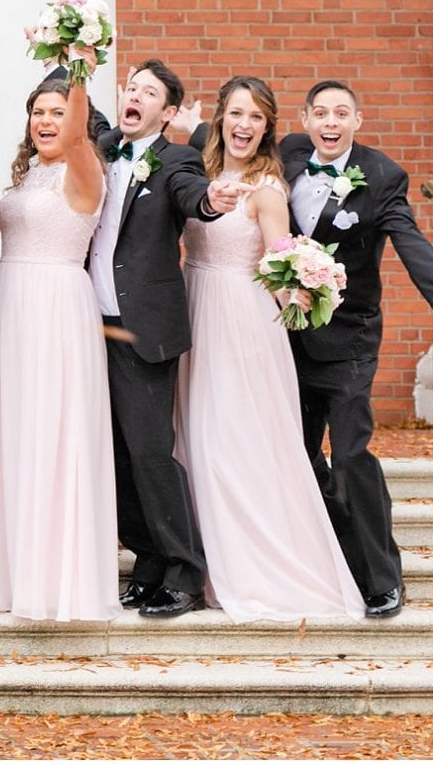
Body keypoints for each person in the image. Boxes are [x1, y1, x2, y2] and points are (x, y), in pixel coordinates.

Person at [280, 80, 433, 619]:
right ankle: (337, 559)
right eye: (321, 113)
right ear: (306, 120)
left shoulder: (382, 176)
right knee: (301, 457)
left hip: (350, 337)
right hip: (285, 336)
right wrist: (187, 124)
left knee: (351, 454)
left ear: (358, 119)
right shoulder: (286, 154)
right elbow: (230, 140)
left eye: (342, 113)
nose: (331, 122)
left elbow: (410, 243)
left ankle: (382, 577)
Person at [174, 76, 365, 622]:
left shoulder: (267, 187)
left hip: (244, 318)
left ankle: (258, 564)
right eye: (236, 113)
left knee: (238, 437)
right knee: (198, 435)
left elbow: (278, 256)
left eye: (256, 117)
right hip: (196, 308)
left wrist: (304, 285)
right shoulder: (198, 171)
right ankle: (203, 559)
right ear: (221, 119)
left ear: (268, 127)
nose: (244, 125)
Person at [87, 60, 237, 618]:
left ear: (168, 112)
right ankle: (146, 562)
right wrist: (68, 60)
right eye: (130, 88)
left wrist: (210, 202)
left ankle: (184, 572)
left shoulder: (176, 158)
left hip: (143, 327)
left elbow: (191, 192)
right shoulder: (100, 147)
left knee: (151, 453)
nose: (135, 97)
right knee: (116, 455)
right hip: (89, 325)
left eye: (148, 93)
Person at [0, 75, 119, 622]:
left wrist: (77, 63)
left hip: (58, 307)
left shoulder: (84, 168)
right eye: (37, 111)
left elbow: (79, 139)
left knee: (54, 431)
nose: (46, 121)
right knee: (15, 431)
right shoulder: (29, 171)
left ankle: (55, 575)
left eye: (58, 111)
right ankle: (11, 571)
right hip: (13, 306)